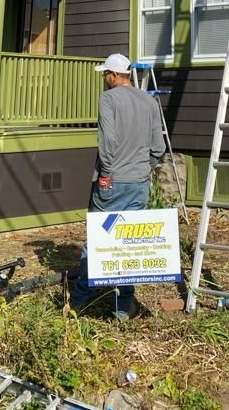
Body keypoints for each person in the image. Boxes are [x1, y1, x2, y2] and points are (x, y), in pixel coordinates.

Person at [70, 52, 165, 319]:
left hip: (112, 181)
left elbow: (108, 141)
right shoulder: (150, 101)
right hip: (139, 182)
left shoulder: (108, 99)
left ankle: (79, 302)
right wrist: (143, 171)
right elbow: (158, 147)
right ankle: (123, 307)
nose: (104, 79)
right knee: (128, 243)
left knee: (98, 240)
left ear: (113, 75)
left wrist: (107, 174)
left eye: (105, 75)